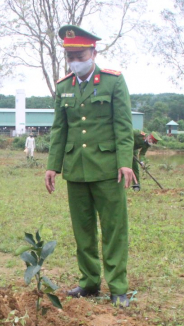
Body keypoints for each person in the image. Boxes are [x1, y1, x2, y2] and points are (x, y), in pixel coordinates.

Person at [45, 25, 136, 307]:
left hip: (108, 169)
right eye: (69, 56)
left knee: (113, 229)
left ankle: (118, 287)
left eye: (79, 54)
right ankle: (89, 283)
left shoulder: (113, 82)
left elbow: (123, 127)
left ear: (93, 52)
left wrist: (125, 163)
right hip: (76, 170)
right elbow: (60, 129)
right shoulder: (64, 87)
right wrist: (53, 166)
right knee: (82, 231)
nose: (74, 60)